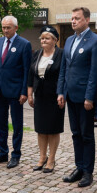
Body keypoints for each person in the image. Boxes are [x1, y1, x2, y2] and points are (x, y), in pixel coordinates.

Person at [57, 7, 97, 188]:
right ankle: (79, 167)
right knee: (76, 134)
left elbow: (95, 73)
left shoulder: (96, 41)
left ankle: (88, 172)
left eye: (77, 18)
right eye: (72, 18)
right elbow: (64, 68)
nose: (73, 21)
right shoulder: (69, 40)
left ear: (87, 19)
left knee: (86, 135)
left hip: (85, 97)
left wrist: (90, 97)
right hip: (70, 95)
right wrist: (61, 92)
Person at [0, 16, 32, 169]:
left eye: (8, 27)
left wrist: (24, 91)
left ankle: (16, 154)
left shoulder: (24, 44)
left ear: (16, 28)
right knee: (0, 123)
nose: (5, 30)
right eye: (4, 27)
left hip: (15, 92)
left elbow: (27, 70)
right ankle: (2, 152)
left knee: (17, 125)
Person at [27, 26, 64, 173]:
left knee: (53, 130)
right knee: (41, 129)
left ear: (55, 40)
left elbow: (63, 75)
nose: (43, 40)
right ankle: (42, 157)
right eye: (42, 38)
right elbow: (31, 75)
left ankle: (51, 159)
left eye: (47, 38)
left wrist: (62, 94)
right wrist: (30, 94)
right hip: (40, 96)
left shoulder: (61, 54)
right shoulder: (37, 54)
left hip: (55, 97)